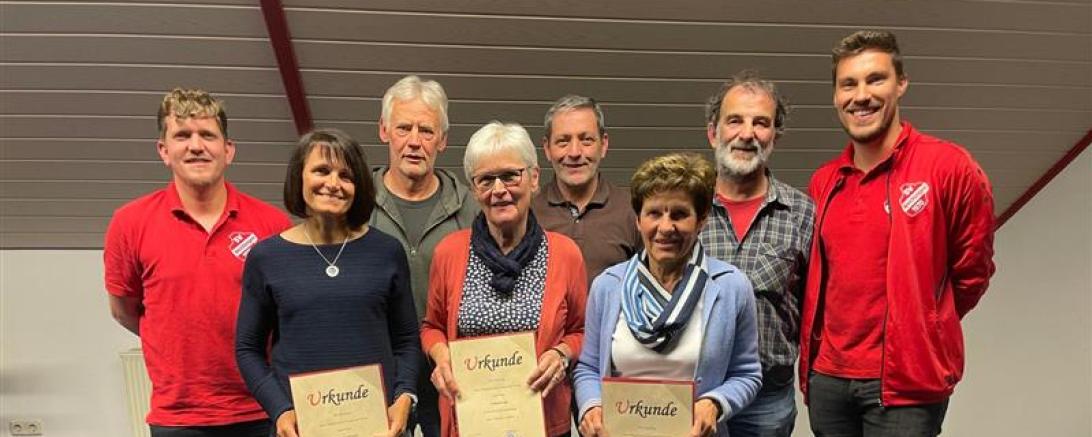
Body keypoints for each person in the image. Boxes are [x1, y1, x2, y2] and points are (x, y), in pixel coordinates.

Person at [799, 30, 996, 437]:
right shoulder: (823, 182)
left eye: (876, 79)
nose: (861, 96)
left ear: (901, 83)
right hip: (828, 380)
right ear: (835, 96)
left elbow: (972, 272)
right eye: (848, 84)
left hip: (906, 386)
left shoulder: (949, 167)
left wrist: (923, 324)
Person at [103, 88, 290, 436]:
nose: (196, 146)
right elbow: (124, 310)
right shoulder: (129, 223)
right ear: (164, 150)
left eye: (207, 135)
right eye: (182, 136)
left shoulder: (272, 225)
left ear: (228, 150)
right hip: (178, 417)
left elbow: (286, 318)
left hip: (263, 409)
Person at [236, 129, 420, 437]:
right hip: (301, 429)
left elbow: (407, 340)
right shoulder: (266, 257)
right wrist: (280, 410)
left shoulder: (387, 252)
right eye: (322, 170)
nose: (333, 184)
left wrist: (404, 396)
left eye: (346, 176)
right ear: (299, 177)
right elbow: (248, 348)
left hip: (378, 428)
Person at [574, 153, 762, 437]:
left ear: (701, 220)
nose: (665, 228)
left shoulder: (731, 287)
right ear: (638, 220)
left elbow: (747, 373)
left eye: (679, 214)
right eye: (654, 213)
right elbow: (587, 367)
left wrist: (714, 403)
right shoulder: (608, 286)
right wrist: (591, 406)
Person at [420, 121, 587, 437]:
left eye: (510, 175)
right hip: (469, 423)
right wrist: (441, 357)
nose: (499, 190)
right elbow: (432, 327)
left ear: (534, 178)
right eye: (485, 179)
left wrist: (561, 354)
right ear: (474, 190)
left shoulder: (565, 254)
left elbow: (581, 330)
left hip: (543, 424)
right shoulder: (449, 252)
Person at [699, 71, 815, 437]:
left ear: (775, 136)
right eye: (735, 120)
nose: (747, 134)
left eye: (761, 123)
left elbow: (817, 309)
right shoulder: (685, 207)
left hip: (767, 402)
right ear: (713, 132)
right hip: (694, 394)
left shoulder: (802, 213)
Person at [370, 75, 478, 437]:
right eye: (404, 128)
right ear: (384, 130)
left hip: (450, 374)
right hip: (379, 374)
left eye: (427, 131)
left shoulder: (471, 209)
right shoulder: (356, 206)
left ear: (442, 140)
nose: (414, 141)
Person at [532, 95, 640, 282]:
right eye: (563, 141)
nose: (574, 152)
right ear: (547, 148)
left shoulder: (632, 211)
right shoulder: (528, 213)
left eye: (586, 140)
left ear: (603, 144)